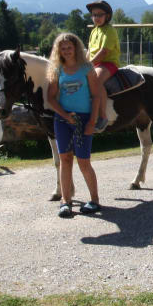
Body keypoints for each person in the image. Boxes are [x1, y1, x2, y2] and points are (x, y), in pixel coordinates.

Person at [46, 32, 103, 218]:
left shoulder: (86, 68)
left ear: (76, 48)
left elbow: (96, 96)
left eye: (69, 47)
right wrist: (64, 115)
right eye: (62, 48)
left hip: (84, 119)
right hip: (62, 120)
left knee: (84, 162)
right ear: (58, 51)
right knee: (65, 159)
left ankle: (94, 200)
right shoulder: (57, 70)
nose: (66, 51)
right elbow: (51, 98)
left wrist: (92, 122)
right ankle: (66, 201)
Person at [85, 0, 119, 129]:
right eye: (94, 15)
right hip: (95, 64)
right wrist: (84, 63)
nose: (96, 18)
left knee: (96, 79)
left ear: (107, 16)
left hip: (108, 63)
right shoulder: (94, 31)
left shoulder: (109, 30)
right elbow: (89, 51)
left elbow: (104, 52)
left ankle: (103, 116)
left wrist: (88, 65)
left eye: (100, 15)